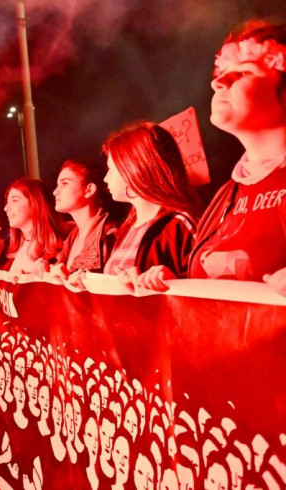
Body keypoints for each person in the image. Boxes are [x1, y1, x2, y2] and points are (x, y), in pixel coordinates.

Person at [138, 20, 286, 294]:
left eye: (243, 73)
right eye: (221, 71)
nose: (218, 82)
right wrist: (174, 279)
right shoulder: (228, 194)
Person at [102, 122, 200, 286]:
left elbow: (206, 290)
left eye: (110, 169)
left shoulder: (180, 225)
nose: (105, 179)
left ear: (133, 167)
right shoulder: (125, 229)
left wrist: (175, 283)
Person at [49, 159, 120, 284]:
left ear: (89, 190)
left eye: (64, 184)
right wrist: (47, 272)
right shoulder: (72, 238)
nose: (55, 192)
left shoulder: (111, 235)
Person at [0, 178, 63, 276]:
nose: (6, 208)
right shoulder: (13, 251)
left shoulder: (61, 252)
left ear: (36, 203)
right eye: (7, 202)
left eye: (14, 200)